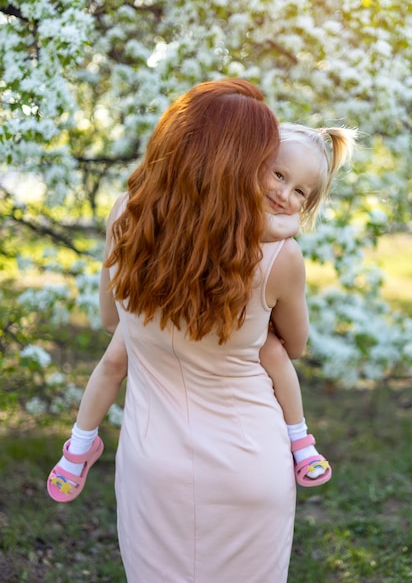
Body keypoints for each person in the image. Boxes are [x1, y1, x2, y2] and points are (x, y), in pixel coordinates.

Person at [47, 78, 355, 582]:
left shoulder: (127, 215)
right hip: (250, 464)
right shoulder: (279, 256)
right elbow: (293, 346)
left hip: (153, 463)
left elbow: (111, 320)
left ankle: (79, 450)